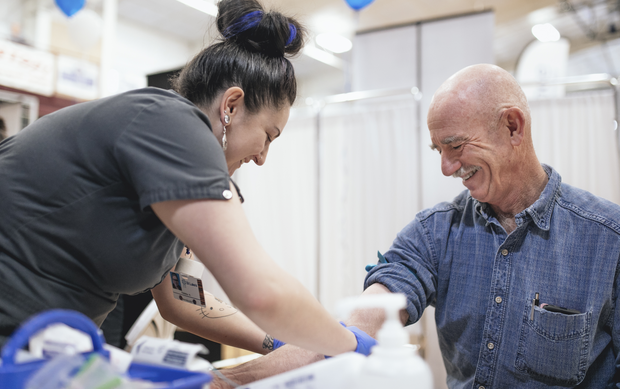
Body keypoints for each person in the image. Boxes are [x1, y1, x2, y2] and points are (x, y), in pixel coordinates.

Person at [0, 0, 375, 359]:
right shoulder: (170, 124)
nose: (262, 157)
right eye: (268, 136)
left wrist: (279, 343)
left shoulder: (169, 169)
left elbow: (181, 301)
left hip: (43, 348)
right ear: (231, 105)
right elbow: (261, 291)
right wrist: (348, 345)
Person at [211, 64, 620, 388]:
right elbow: (361, 324)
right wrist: (230, 380)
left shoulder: (608, 239)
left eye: (456, 146)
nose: (446, 167)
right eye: (438, 150)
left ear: (513, 127)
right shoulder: (434, 234)